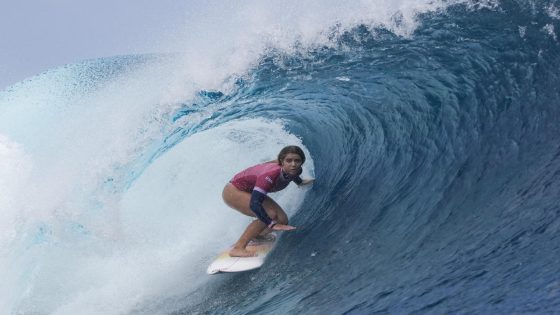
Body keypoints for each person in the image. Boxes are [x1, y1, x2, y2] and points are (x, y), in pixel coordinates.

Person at [222, 145, 314, 257]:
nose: (293, 164)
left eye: (297, 161)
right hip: (233, 191)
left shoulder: (296, 170)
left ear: (301, 162)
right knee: (270, 215)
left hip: (249, 190)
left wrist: (300, 182)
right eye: (289, 160)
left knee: (282, 220)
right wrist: (271, 224)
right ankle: (238, 248)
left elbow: (292, 175)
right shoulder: (269, 175)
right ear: (282, 162)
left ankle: (257, 235)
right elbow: (255, 204)